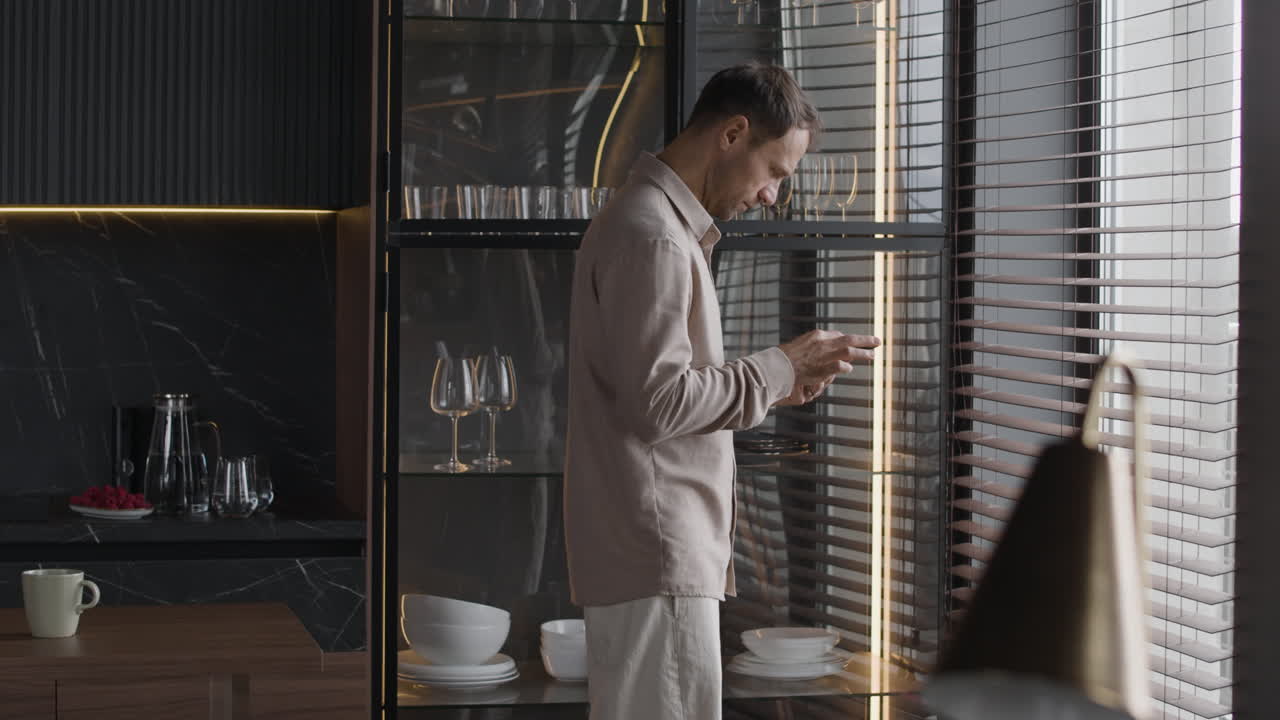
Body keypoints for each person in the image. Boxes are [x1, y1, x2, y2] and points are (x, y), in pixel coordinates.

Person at [563, 62, 881, 720]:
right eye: (775, 172)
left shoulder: (652, 225)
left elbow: (661, 390)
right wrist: (777, 367)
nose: (771, 197)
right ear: (733, 134)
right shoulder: (654, 236)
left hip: (646, 554)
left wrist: (778, 384)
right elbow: (658, 404)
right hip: (657, 554)